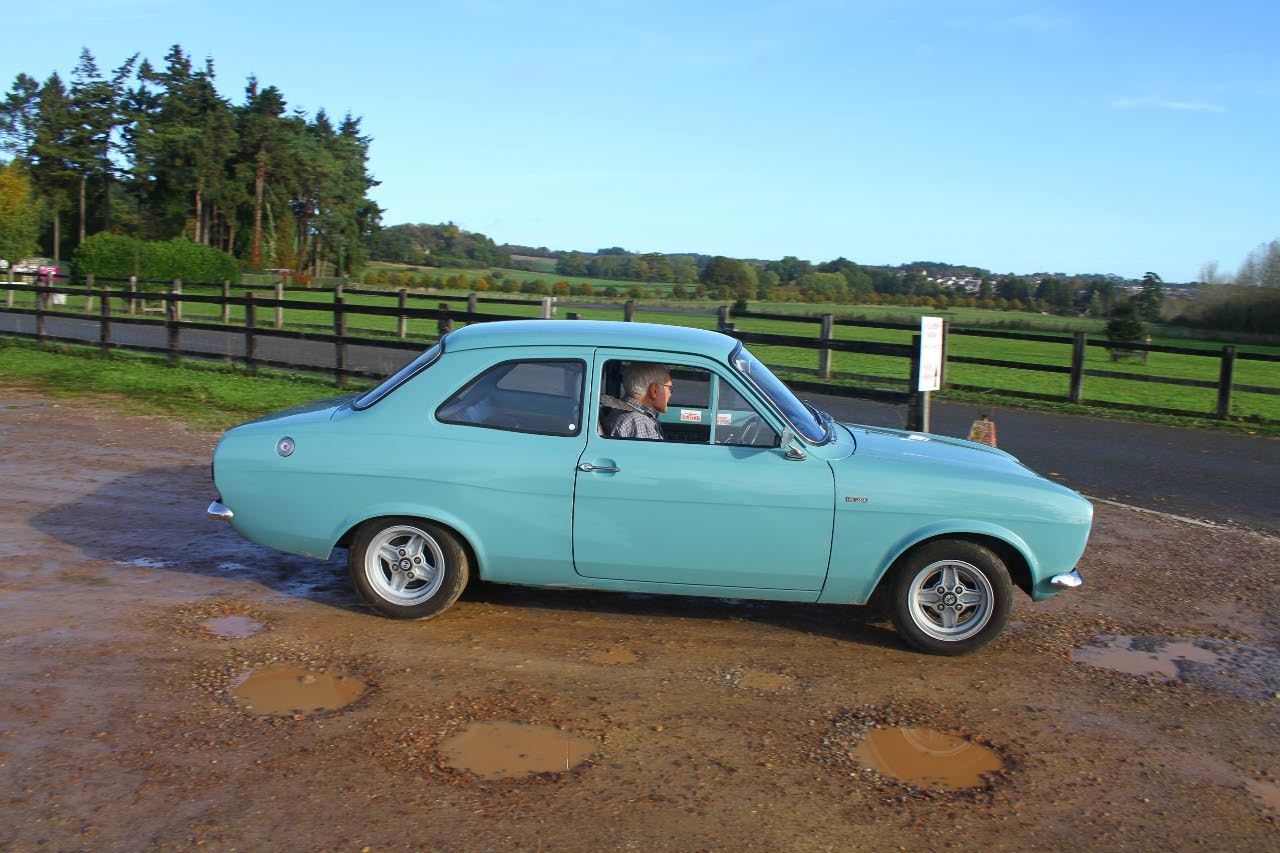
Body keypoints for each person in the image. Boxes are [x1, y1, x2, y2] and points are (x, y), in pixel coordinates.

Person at [606, 363, 672, 440]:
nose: (670, 394)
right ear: (654, 390)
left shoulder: (622, 412)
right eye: (670, 389)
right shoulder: (638, 421)